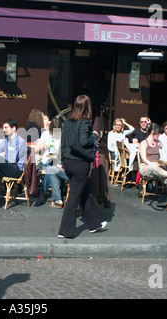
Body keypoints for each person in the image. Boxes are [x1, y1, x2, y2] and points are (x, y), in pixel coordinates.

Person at [58, 95, 107, 238]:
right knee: (73, 198)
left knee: (85, 193)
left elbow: (63, 142)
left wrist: (62, 160)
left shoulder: (67, 121)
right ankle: (65, 231)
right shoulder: (85, 122)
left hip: (67, 162)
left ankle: (94, 224)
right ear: (88, 107)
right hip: (80, 163)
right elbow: (84, 142)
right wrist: (94, 135)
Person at [37, 116, 69, 208]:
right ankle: (43, 192)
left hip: (58, 160)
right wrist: (43, 144)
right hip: (46, 159)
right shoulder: (46, 134)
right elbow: (37, 148)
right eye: (54, 131)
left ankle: (47, 193)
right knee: (48, 169)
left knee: (51, 169)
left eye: (57, 131)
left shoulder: (62, 134)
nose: (56, 133)